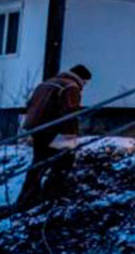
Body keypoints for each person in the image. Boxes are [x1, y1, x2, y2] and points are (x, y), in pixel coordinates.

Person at [15, 65, 91, 211]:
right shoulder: (71, 87)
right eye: (85, 82)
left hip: (36, 126)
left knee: (39, 161)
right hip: (53, 127)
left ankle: (27, 197)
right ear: (81, 78)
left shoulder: (47, 83)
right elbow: (70, 112)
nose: (84, 86)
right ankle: (52, 195)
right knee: (65, 160)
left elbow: (30, 104)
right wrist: (71, 137)